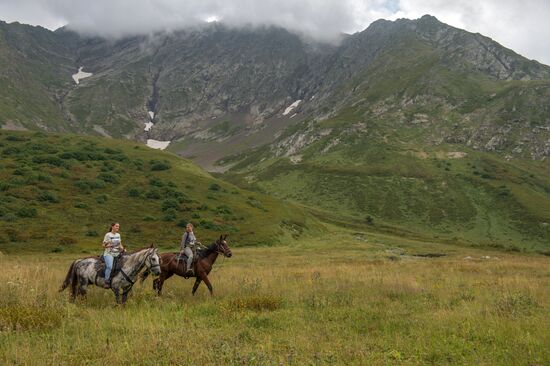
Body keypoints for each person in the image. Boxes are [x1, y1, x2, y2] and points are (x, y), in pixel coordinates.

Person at [102, 222, 125, 288]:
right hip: (109, 253)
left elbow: (120, 244)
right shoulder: (108, 235)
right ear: (112, 227)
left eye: (118, 226)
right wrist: (108, 245)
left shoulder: (118, 235)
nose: (117, 228)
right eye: (116, 226)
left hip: (117, 253)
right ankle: (106, 281)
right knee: (109, 266)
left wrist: (123, 249)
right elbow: (103, 245)